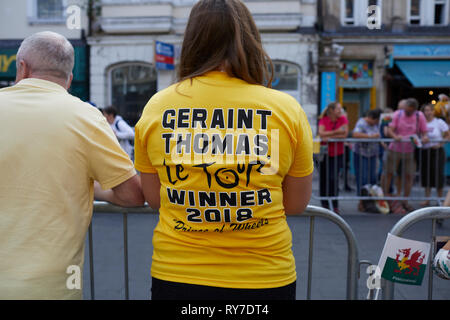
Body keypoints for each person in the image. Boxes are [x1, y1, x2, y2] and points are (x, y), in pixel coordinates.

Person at [134, 0, 313, 300]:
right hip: (265, 277)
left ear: (192, 41)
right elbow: (295, 204)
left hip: (179, 275)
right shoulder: (285, 109)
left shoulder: (158, 107)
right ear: (250, 40)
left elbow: (155, 199)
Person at [0, 31, 145, 299]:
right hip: (48, 288)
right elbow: (133, 195)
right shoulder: (86, 117)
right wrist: (89, 186)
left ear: (22, 67)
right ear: (68, 79)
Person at [384, 98, 429, 213]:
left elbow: (424, 132)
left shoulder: (420, 116)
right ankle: (384, 197)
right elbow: (390, 129)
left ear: (415, 109)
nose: (407, 113)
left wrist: (424, 137)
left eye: (410, 111)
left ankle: (405, 200)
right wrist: (395, 136)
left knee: (409, 175)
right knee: (389, 172)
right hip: (395, 149)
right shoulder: (397, 114)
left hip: (410, 150)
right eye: (406, 110)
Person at [318, 102, 349, 214]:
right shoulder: (324, 119)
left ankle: (335, 204)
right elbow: (321, 133)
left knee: (333, 178)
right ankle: (324, 203)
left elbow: (344, 135)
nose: (340, 111)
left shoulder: (343, 119)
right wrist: (337, 132)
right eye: (338, 109)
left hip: (338, 153)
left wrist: (329, 135)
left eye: (341, 108)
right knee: (324, 178)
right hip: (325, 154)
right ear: (331, 110)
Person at [420, 103, 449, 206]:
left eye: (430, 110)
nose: (428, 113)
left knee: (438, 175)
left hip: (437, 151)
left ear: (433, 111)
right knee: (426, 175)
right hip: (425, 151)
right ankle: (427, 199)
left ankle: (439, 199)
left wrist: (440, 144)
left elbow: (447, 135)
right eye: (426, 110)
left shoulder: (439, 122)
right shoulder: (420, 122)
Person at [352, 109, 382, 209]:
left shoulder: (376, 124)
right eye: (376, 121)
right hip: (361, 154)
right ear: (371, 118)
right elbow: (355, 134)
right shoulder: (361, 122)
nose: (376, 123)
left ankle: (371, 201)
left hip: (372, 154)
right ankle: (362, 202)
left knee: (373, 178)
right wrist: (371, 136)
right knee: (363, 178)